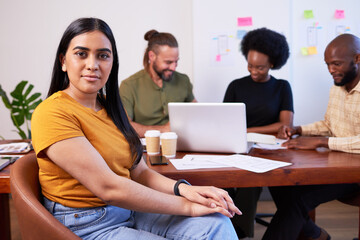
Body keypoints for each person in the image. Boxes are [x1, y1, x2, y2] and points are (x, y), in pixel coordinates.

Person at [31, 17, 240, 240]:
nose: (93, 64)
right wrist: (187, 207)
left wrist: (185, 189)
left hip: (127, 208)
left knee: (215, 223)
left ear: (112, 62)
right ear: (63, 61)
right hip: (89, 222)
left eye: (103, 55)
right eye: (81, 54)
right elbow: (109, 188)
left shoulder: (109, 106)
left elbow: (139, 172)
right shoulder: (51, 113)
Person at [262, 33, 360, 240]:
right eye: (327, 64)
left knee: (298, 200)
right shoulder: (338, 87)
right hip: (339, 164)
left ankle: (315, 236)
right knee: (280, 181)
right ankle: (315, 235)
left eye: (336, 64)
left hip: (355, 172)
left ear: (357, 59)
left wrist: (321, 141)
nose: (331, 70)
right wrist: (299, 130)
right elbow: (329, 124)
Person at [223, 28, 293, 239]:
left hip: (269, 149)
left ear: (273, 63)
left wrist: (247, 130)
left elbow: (285, 125)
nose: (254, 70)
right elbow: (224, 121)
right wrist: (243, 132)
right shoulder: (236, 86)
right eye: (250, 65)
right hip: (236, 145)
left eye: (260, 67)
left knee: (250, 180)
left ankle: (240, 231)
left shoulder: (282, 87)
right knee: (221, 178)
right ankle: (227, 226)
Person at [120, 30, 196, 137]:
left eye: (176, 61)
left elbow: (196, 110)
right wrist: (163, 130)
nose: (173, 67)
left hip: (180, 142)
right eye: (168, 62)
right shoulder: (129, 86)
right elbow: (125, 126)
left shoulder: (183, 80)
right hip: (147, 147)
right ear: (151, 56)